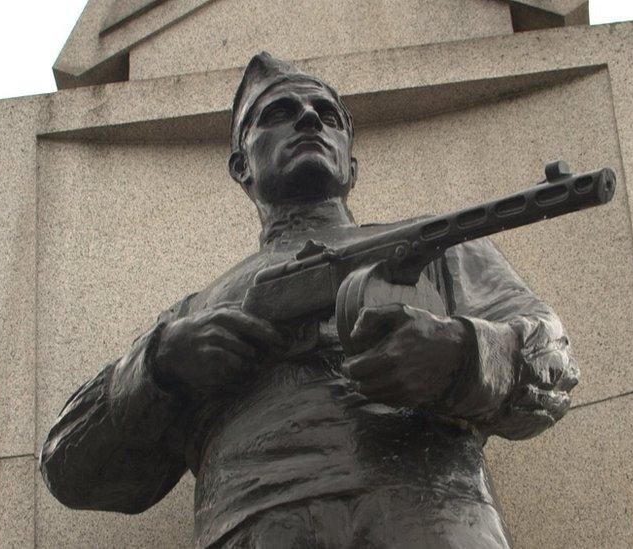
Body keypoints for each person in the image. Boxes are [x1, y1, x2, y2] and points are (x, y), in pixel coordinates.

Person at [40, 52, 579, 548]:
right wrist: (158, 366)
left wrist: (462, 356)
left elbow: (554, 360)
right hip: (254, 528)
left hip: (433, 517)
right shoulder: (194, 312)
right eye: (278, 112)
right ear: (241, 166)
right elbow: (70, 469)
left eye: (328, 113)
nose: (308, 120)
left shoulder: (437, 246)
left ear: (352, 164)